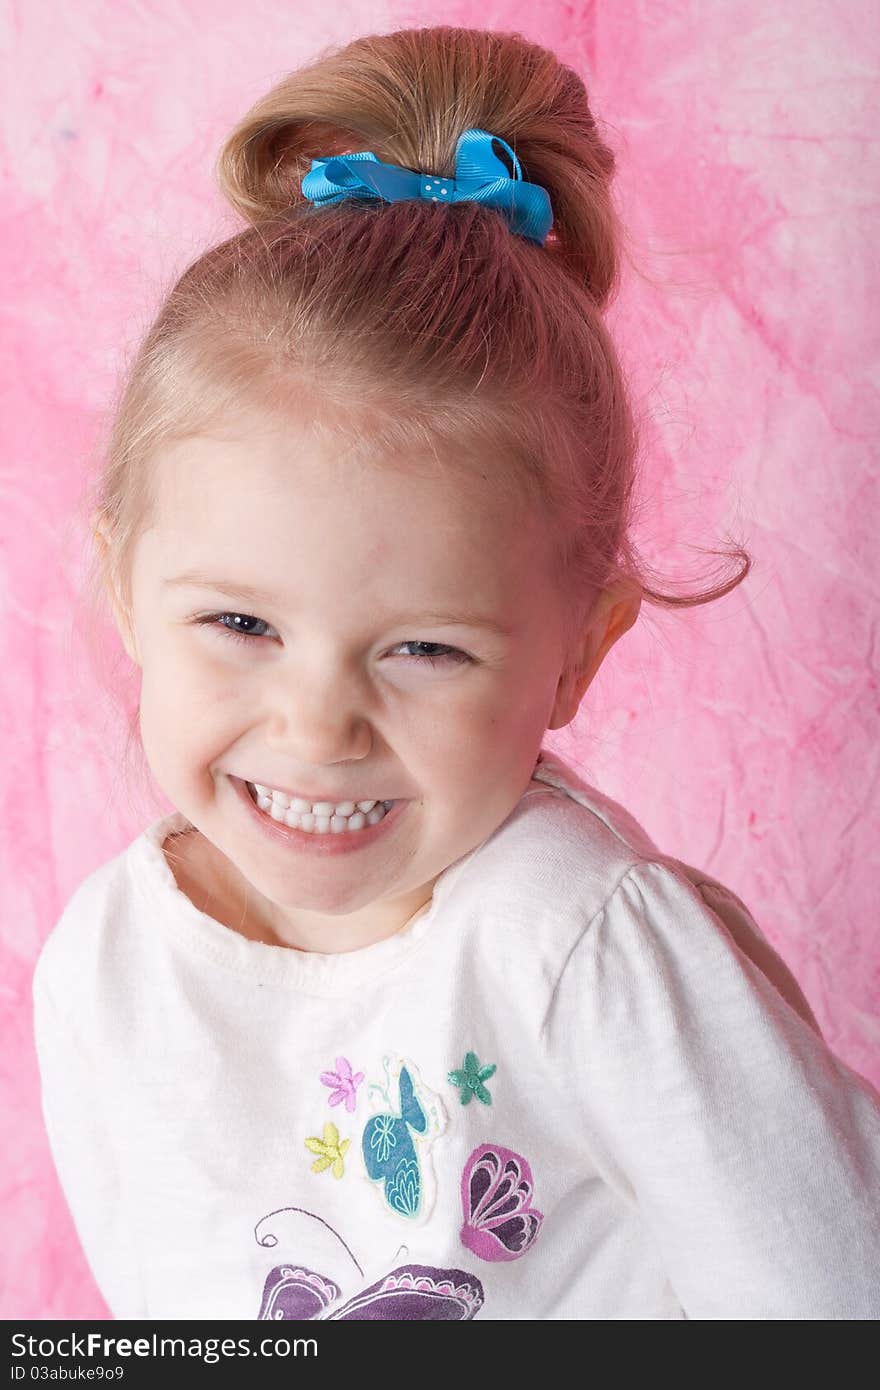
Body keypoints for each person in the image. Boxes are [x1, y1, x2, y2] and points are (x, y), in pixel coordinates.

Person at [32, 25, 880, 1321]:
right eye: (240, 625)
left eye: (424, 648)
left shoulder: (574, 947)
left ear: (577, 655)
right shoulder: (104, 967)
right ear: (123, 589)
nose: (318, 723)